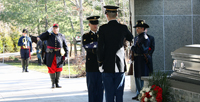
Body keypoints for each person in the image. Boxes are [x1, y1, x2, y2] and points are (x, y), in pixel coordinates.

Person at [97, 5, 133, 102]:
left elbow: (100, 47)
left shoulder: (103, 28)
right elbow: (131, 37)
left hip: (107, 65)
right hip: (120, 64)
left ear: (107, 15)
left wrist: (100, 62)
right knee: (119, 92)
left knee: (109, 93)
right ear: (117, 14)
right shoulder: (123, 27)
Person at [38, 24, 68, 88]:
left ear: (58, 29)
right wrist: (48, 31)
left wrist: (66, 55)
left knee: (59, 69)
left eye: (56, 28)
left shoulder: (62, 36)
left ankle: (57, 83)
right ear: (52, 29)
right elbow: (41, 37)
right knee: (51, 69)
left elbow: (65, 46)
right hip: (50, 55)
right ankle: (53, 83)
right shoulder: (49, 35)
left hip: (59, 55)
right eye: (54, 28)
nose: (55, 29)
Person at [82, 16, 104, 102]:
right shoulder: (86, 36)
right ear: (89, 24)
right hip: (91, 65)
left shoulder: (101, 35)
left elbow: (103, 47)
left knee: (100, 87)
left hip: (101, 64)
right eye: (93, 24)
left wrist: (95, 45)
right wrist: (98, 47)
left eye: (96, 24)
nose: (95, 26)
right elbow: (88, 48)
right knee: (91, 88)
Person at [131, 20, 150, 100]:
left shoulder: (144, 37)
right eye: (136, 28)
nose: (137, 29)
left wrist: (133, 48)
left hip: (141, 60)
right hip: (137, 59)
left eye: (138, 28)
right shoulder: (137, 37)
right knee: (137, 77)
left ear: (143, 28)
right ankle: (139, 93)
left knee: (141, 77)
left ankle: (142, 94)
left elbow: (142, 50)